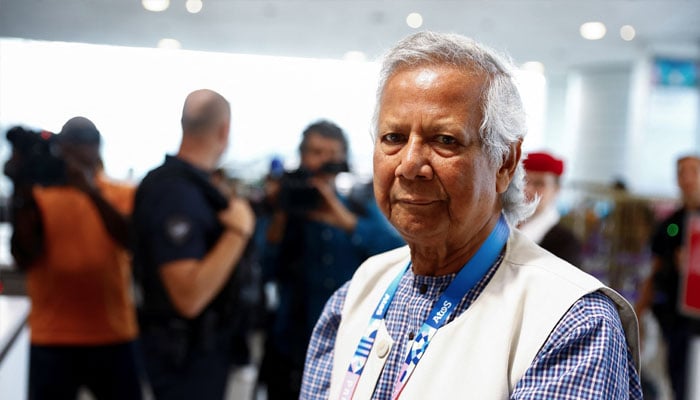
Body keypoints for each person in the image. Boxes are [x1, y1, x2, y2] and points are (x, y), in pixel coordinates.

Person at [301, 31, 641, 399]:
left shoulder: (571, 324)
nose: (410, 165)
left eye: (445, 140)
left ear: (505, 163)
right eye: (393, 138)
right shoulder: (355, 296)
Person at [257, 120, 404, 399]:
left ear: (343, 161)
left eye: (332, 154)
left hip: (350, 345)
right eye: (316, 152)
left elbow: (399, 254)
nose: (324, 161)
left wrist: (346, 221)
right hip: (291, 347)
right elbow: (262, 266)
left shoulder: (358, 205)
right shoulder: (284, 207)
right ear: (302, 157)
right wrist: (281, 213)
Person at [6, 117, 143, 400]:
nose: (70, 160)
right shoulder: (39, 197)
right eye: (65, 151)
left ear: (97, 150)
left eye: (80, 149)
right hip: (52, 335)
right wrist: (21, 191)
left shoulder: (120, 193)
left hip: (112, 334)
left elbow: (132, 239)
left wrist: (90, 191)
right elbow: (24, 257)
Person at [131, 89, 255, 399]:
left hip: (198, 350)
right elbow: (188, 296)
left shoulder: (194, 186)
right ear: (224, 129)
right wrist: (237, 232)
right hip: (183, 355)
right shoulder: (176, 192)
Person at [636, 154, 700, 400]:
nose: (687, 178)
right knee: (680, 383)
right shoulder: (671, 225)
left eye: (693, 171)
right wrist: (638, 311)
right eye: (681, 172)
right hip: (678, 323)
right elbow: (655, 269)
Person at [519, 151, 582, 265]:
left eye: (539, 184)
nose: (528, 189)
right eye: (524, 181)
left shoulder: (565, 242)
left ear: (556, 189)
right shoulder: (501, 224)